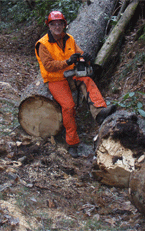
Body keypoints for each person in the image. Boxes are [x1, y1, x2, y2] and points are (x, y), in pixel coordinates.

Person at [35, 11, 116, 158]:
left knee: (87, 80)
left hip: (70, 76)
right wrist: (67, 62)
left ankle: (99, 112)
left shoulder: (69, 39)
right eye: (54, 24)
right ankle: (72, 143)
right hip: (54, 80)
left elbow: (79, 55)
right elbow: (48, 66)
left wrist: (86, 58)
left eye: (60, 24)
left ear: (64, 25)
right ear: (49, 26)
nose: (57, 27)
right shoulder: (43, 44)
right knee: (68, 106)